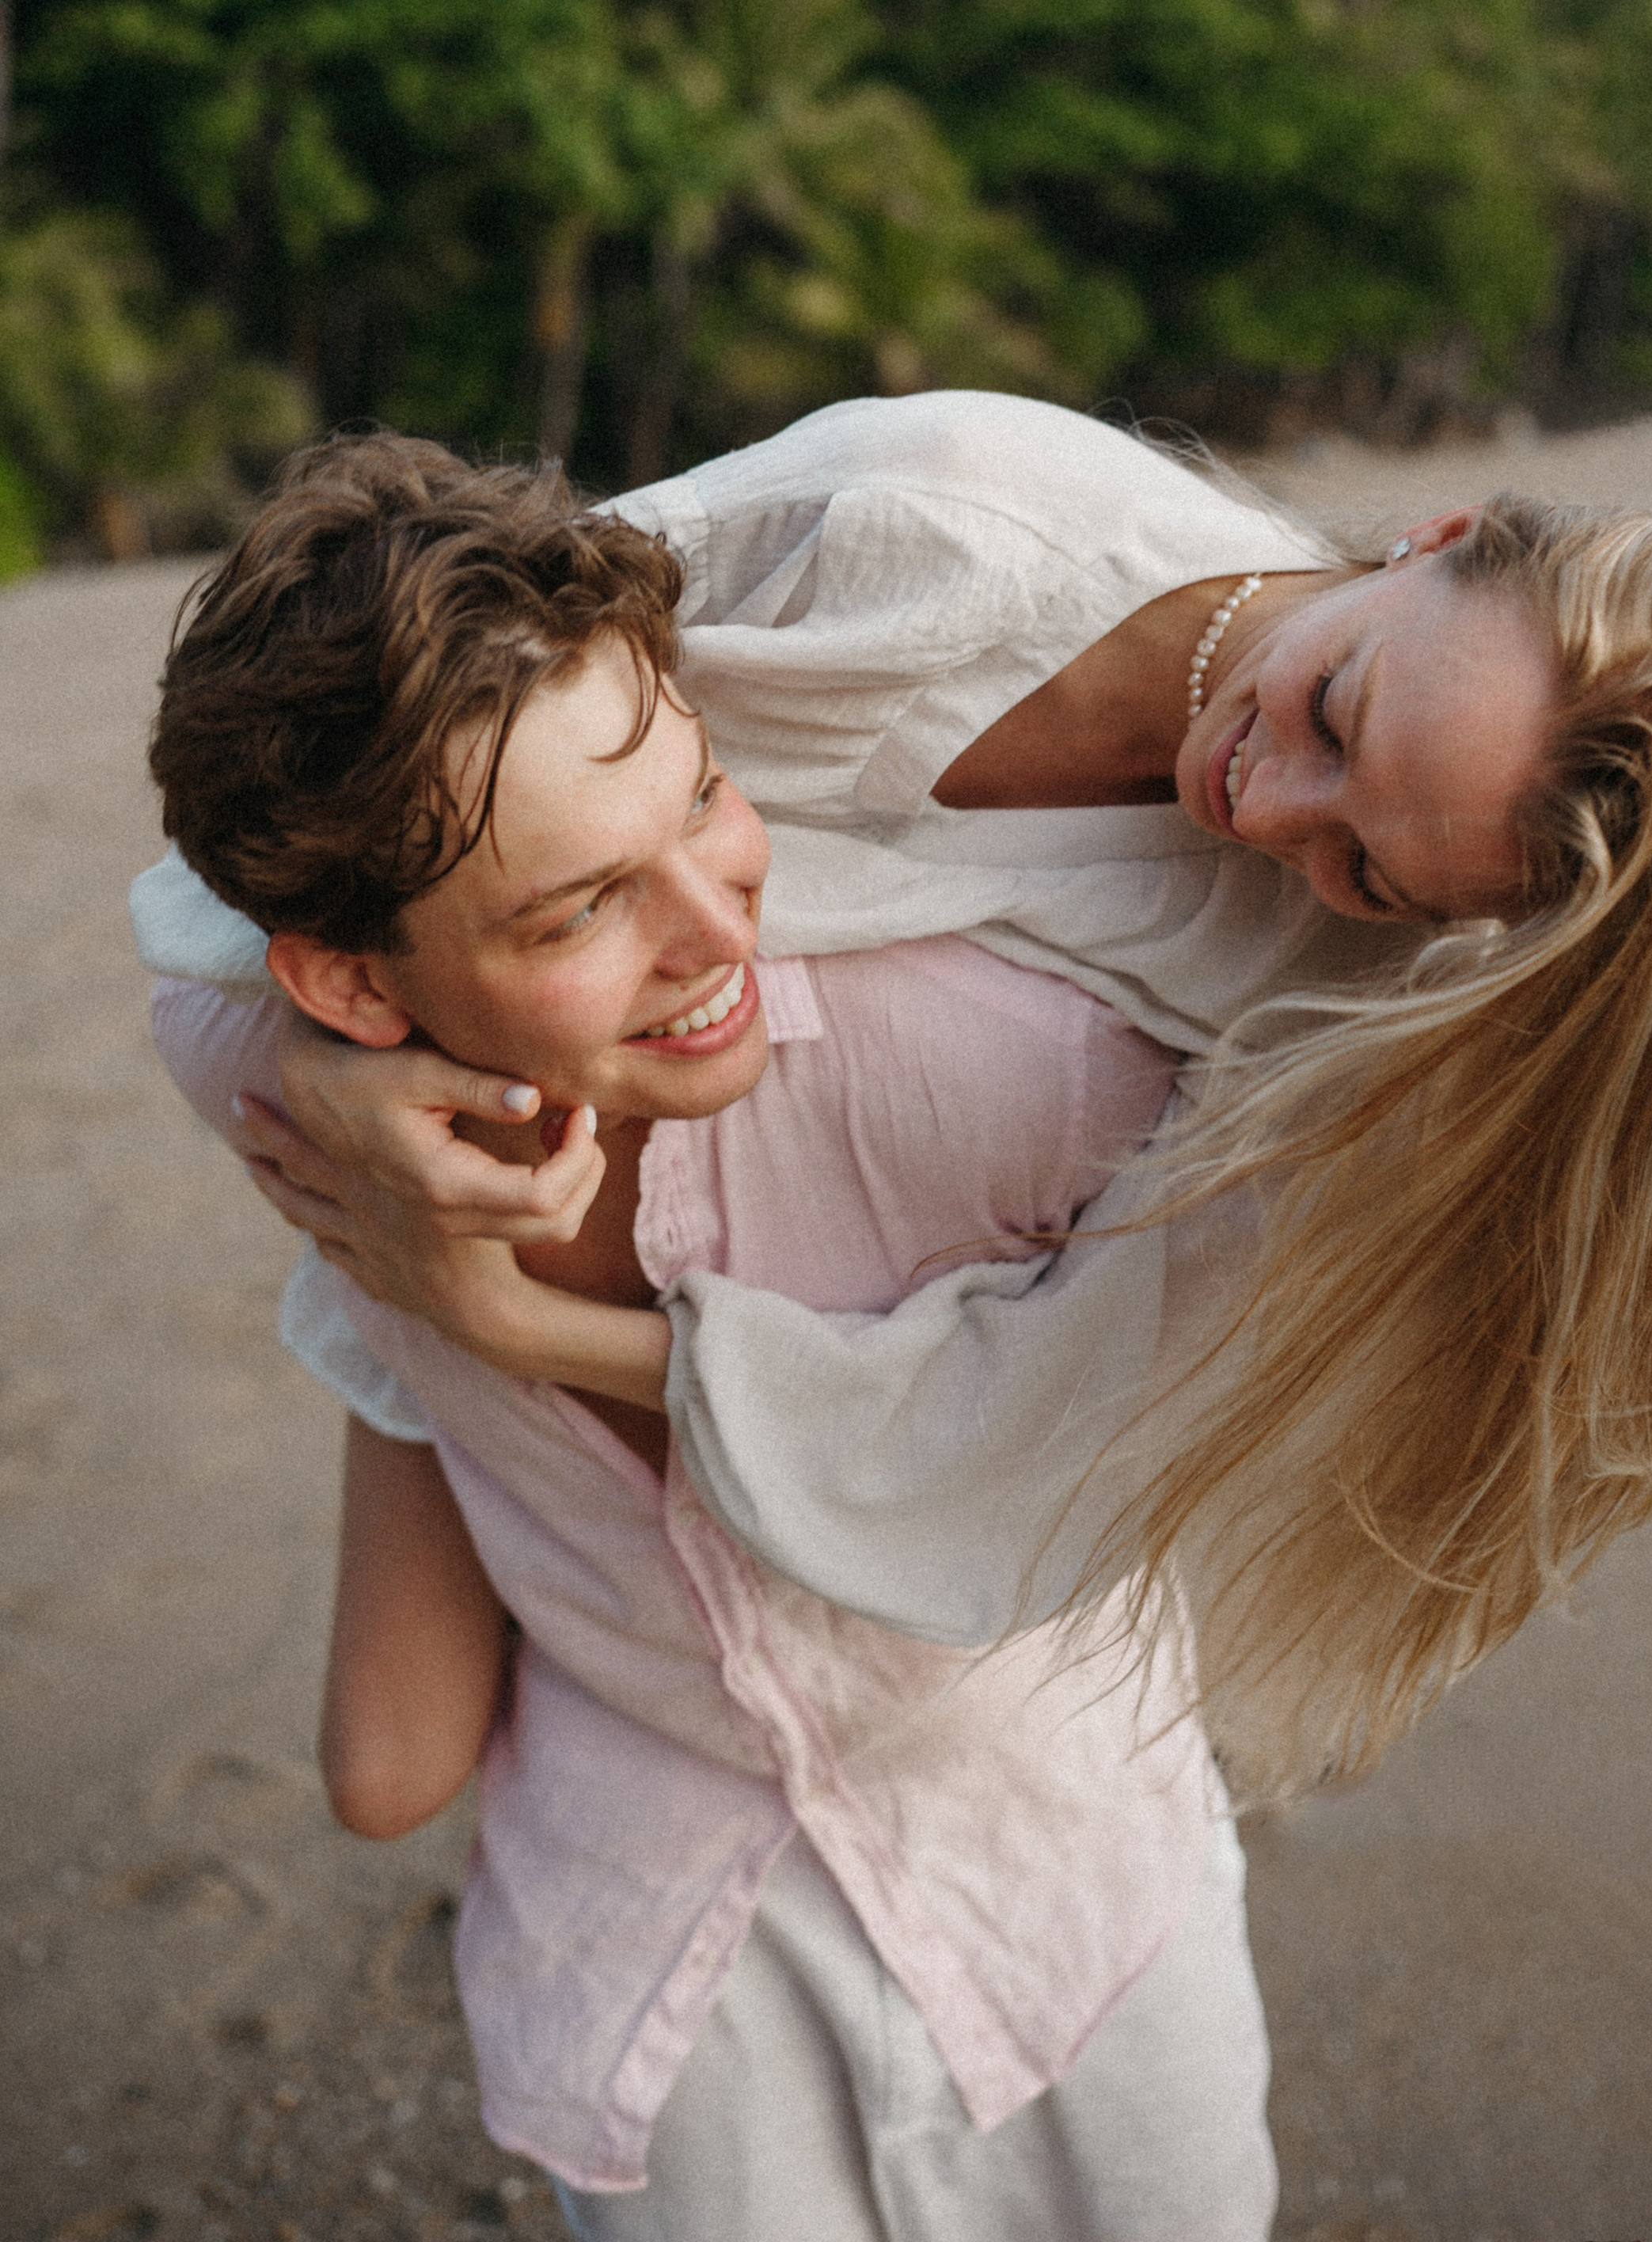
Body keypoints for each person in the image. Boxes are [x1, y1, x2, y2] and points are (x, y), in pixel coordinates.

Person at [137, 388, 1652, 1799]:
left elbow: (1020, 1431)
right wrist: (327, 1064)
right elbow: (358, 745)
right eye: (1337, 712)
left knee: (400, 1765)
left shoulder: (1350, 998)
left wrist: (508, 1322)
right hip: (509, 1072)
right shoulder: (942, 518)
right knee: (393, 1766)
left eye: (1368, 868)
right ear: (1435, 537)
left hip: (739, 1328)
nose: (1268, 810)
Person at [144, 437, 1276, 2242]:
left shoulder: (1014, 1075)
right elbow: (202, 987)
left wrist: (486, 1309)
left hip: (1056, 1854)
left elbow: (1232, 1251)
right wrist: (338, 1132)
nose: (715, 925)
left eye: (705, 797)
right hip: (656, 1923)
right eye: (579, 906)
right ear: (348, 985)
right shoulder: (270, 1077)